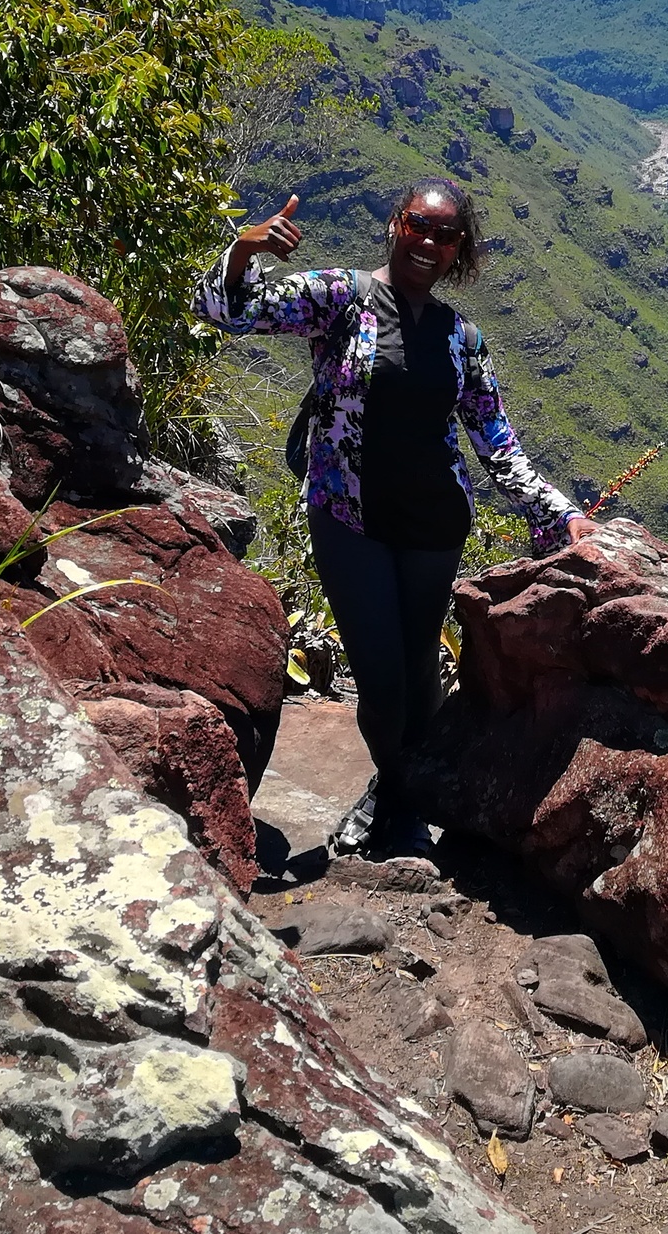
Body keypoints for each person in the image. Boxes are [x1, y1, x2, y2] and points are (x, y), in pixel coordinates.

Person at [194, 179, 596, 858]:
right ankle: (406, 804)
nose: (430, 243)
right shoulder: (340, 297)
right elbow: (225, 312)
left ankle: (394, 797)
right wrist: (242, 248)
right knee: (381, 680)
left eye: (446, 235)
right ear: (394, 224)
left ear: (459, 249)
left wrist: (563, 517)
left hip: (434, 526)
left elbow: (496, 443)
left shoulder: (462, 339)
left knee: (415, 674)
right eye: (419, 226)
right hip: (349, 516)